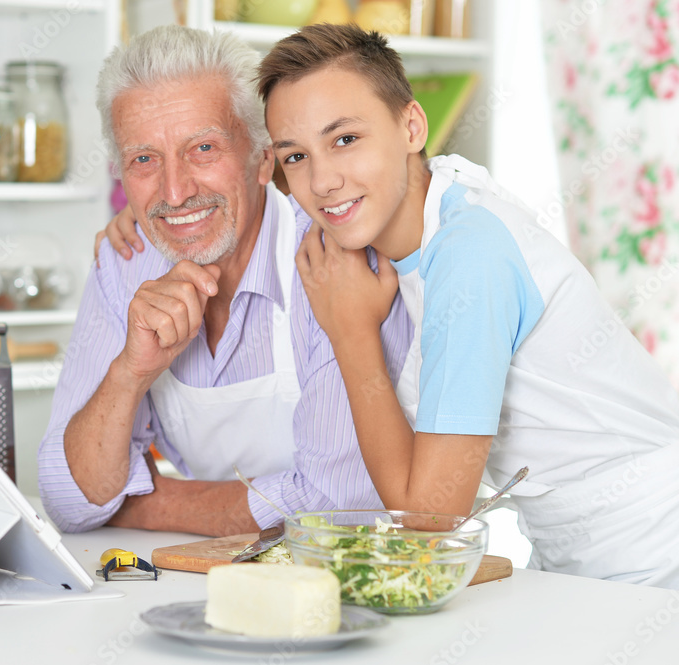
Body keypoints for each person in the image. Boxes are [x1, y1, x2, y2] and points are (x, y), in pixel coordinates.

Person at [255, 23, 679, 587]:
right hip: (574, 560)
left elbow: (430, 522)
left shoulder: (467, 251)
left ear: (411, 126)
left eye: (345, 139)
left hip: (655, 554)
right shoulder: (402, 232)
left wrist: (352, 335)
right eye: (295, 157)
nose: (323, 180)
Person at [36, 25, 413, 536]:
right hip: (213, 582)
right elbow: (68, 498)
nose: (174, 191)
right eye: (144, 159)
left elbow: (339, 502)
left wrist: (142, 505)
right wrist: (129, 372)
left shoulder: (334, 261)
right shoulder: (126, 262)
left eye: (204, 148)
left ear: (262, 159)